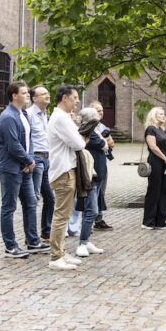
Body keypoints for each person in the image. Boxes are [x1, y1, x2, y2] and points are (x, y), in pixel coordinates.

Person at [0, 81, 49, 259]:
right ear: (14, 96)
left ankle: (33, 241)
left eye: (27, 93)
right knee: (9, 207)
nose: (27, 95)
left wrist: (30, 159)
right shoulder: (8, 117)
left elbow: (29, 139)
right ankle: (10, 247)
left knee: (31, 203)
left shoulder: (23, 113)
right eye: (24, 93)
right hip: (10, 169)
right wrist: (28, 160)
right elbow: (13, 145)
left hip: (25, 167)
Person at [46, 84, 87, 270]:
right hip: (63, 171)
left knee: (64, 213)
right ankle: (55, 257)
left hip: (66, 169)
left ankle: (61, 252)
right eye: (75, 97)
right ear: (65, 98)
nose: (77, 101)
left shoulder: (63, 117)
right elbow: (78, 143)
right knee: (61, 215)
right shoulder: (60, 119)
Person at [74, 107, 106, 258]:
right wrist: (104, 142)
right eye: (96, 114)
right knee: (91, 210)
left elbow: (106, 145)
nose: (99, 116)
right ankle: (82, 243)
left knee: (93, 209)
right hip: (90, 177)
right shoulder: (89, 133)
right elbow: (103, 145)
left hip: (98, 175)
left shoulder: (95, 132)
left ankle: (86, 241)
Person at [28, 85, 56, 242]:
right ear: (34, 98)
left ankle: (46, 231)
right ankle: (31, 237)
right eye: (43, 93)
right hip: (36, 159)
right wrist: (29, 158)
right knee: (34, 198)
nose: (47, 95)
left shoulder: (46, 114)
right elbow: (26, 137)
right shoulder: (30, 114)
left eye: (48, 92)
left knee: (50, 198)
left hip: (46, 159)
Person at [142, 107, 166, 230]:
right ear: (153, 116)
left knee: (165, 190)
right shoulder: (151, 129)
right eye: (160, 113)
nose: (163, 115)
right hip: (156, 161)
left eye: (163, 113)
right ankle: (148, 221)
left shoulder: (164, 131)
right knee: (154, 190)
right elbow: (153, 147)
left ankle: (161, 221)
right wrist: (164, 158)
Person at [90, 100, 115, 231]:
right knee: (93, 191)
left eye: (102, 110)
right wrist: (103, 142)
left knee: (101, 191)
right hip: (92, 163)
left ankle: (99, 218)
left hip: (103, 161)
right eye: (98, 110)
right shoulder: (89, 126)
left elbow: (111, 143)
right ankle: (91, 217)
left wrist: (105, 141)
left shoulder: (103, 126)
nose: (101, 112)